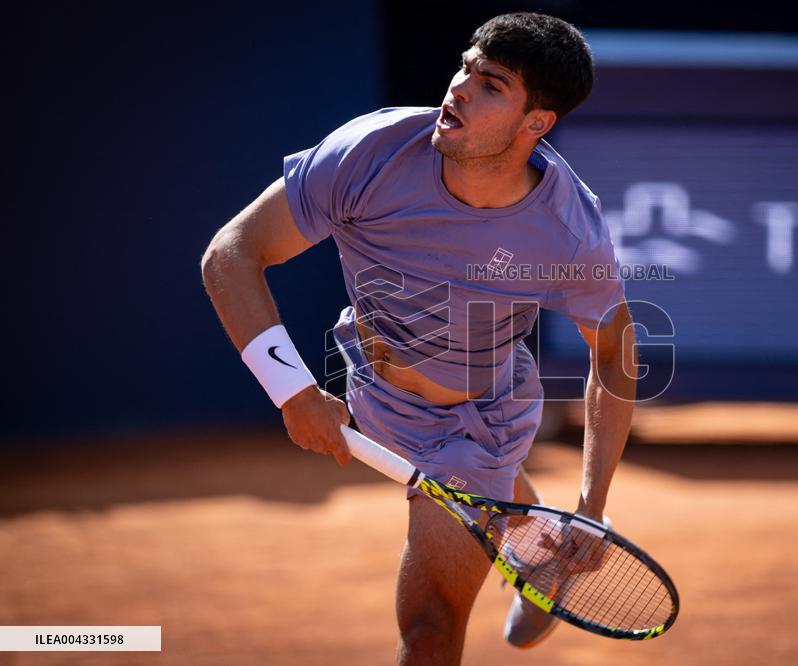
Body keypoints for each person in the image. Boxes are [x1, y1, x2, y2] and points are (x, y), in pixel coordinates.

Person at [201, 11, 637, 665]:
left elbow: (615, 355)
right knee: (475, 537)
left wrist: (591, 506)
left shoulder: (568, 227)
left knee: (430, 629)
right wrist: (293, 392)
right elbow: (231, 255)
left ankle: (528, 522)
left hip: (479, 423)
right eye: (465, 66)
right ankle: (539, 540)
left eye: (490, 84)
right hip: (376, 393)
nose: (458, 87)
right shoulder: (369, 152)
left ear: (536, 124)